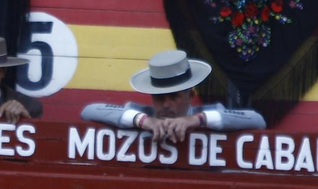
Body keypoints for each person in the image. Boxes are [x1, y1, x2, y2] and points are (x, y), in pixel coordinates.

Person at [82, 50, 267, 138]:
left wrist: (196, 120)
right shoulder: (139, 113)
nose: (166, 104)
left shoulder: (209, 114)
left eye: (174, 97)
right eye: (160, 98)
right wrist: (143, 120)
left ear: (190, 96)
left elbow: (257, 120)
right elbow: (89, 111)